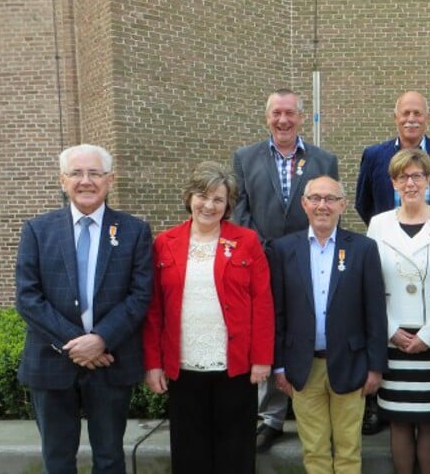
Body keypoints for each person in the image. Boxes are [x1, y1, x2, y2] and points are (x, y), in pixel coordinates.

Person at [15, 144, 154, 474]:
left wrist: (102, 339)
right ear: (63, 181)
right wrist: (81, 344)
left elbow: (140, 295)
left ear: (110, 180)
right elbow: (27, 298)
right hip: (50, 362)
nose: (86, 181)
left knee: (109, 458)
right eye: (76, 173)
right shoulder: (37, 230)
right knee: (57, 459)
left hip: (111, 363)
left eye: (95, 173)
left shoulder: (135, 231)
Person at [142, 161, 274, 474]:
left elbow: (263, 302)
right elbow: (153, 309)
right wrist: (153, 363)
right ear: (189, 197)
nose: (209, 205)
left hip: (235, 365)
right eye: (203, 196)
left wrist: (262, 359)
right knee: (189, 453)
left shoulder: (247, 241)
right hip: (183, 365)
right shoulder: (164, 243)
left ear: (228, 204)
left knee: (236, 452)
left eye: (218, 199)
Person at [232, 88, 339, 452]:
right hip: (262, 261)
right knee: (270, 330)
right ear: (267, 117)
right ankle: (271, 417)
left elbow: (330, 208)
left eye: (290, 113)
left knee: (306, 326)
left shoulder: (324, 159)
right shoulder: (245, 158)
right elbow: (240, 212)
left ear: (301, 116)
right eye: (277, 113)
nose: (283, 120)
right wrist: (263, 251)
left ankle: (312, 404)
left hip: (310, 260)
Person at [269, 176, 388, 474]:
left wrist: (375, 366)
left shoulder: (363, 248)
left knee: (349, 450)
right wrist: (279, 367)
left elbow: (374, 311)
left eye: (331, 198)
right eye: (316, 198)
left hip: (351, 365)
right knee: (314, 451)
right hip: (302, 368)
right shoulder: (283, 250)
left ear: (343, 205)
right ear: (304, 204)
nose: (323, 205)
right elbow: (278, 313)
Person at [365, 149, 430, 474]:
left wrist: (428, 334)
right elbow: (370, 285)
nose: (410, 183)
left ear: (428, 180)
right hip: (393, 339)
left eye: (417, 176)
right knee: (399, 422)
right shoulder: (379, 225)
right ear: (393, 182)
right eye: (403, 177)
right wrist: (391, 329)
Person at [355, 90, 430, 225]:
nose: (411, 119)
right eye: (405, 113)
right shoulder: (374, 156)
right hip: (388, 240)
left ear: (427, 118)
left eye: (417, 113)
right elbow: (363, 203)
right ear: (395, 118)